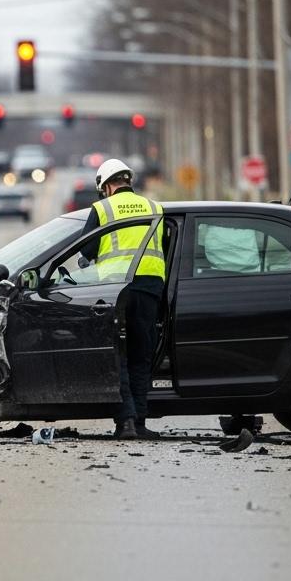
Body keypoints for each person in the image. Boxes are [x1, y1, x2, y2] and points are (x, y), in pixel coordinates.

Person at [80, 158, 166, 440]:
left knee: (119, 357)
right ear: (128, 181)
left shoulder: (102, 209)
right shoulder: (154, 207)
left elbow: (88, 250)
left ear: (105, 186)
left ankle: (126, 422)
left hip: (116, 290)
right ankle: (139, 422)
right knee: (141, 355)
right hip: (150, 287)